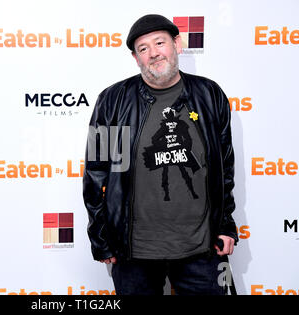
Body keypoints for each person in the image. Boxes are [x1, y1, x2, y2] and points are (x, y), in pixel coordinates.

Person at [82, 14, 238, 295]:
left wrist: (225, 223)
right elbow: (96, 172)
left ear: (176, 44)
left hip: (201, 248)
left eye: (159, 42)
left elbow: (224, 168)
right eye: (143, 48)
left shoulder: (209, 95)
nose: (153, 53)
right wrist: (100, 237)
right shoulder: (113, 101)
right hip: (134, 251)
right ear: (136, 58)